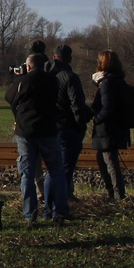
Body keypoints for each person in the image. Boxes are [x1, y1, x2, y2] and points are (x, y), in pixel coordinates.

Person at [6, 44, 63, 224]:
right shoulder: (53, 80)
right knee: (56, 171)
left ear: (28, 66)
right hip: (49, 130)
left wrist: (18, 78)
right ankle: (58, 211)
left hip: (26, 132)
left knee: (27, 174)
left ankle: (30, 214)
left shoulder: (23, 81)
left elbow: (10, 98)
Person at [48, 45, 92, 219]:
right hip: (69, 128)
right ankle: (60, 208)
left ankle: (50, 207)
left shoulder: (49, 77)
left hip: (53, 127)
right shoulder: (70, 77)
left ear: (54, 57)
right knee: (65, 169)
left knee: (54, 169)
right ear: (70, 59)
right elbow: (77, 105)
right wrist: (82, 125)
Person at [90, 49, 131, 200]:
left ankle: (116, 195)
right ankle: (114, 194)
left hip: (107, 128)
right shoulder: (118, 79)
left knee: (109, 162)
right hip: (117, 126)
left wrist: (97, 118)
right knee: (105, 160)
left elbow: (107, 106)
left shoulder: (107, 83)